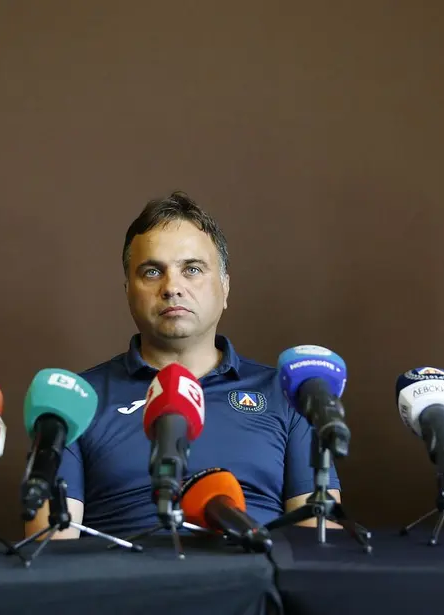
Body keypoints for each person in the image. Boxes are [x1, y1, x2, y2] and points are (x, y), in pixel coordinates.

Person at [24, 191, 340, 540]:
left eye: (192, 269)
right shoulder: (74, 403)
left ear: (225, 287)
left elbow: (319, 544)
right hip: (123, 574)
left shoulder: (289, 393)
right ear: (128, 291)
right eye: (152, 272)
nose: (172, 287)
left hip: (256, 569)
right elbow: (51, 551)